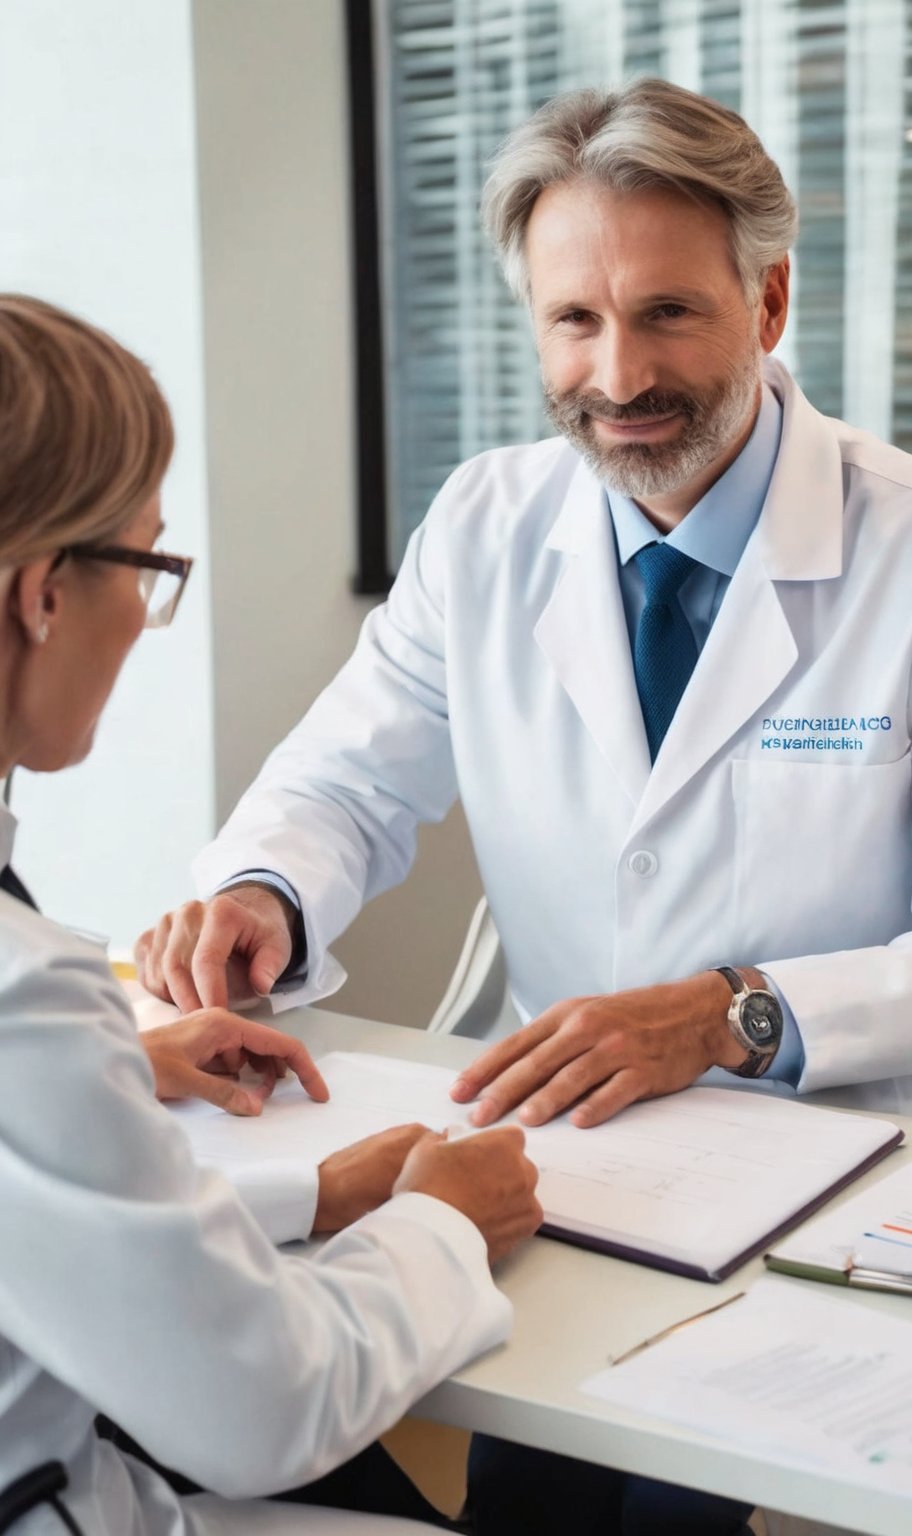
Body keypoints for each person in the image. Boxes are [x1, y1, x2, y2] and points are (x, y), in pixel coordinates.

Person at [137, 79, 912, 1535]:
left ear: (770, 299)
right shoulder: (488, 522)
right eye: (573, 321)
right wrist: (263, 893)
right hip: (579, 1170)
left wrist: (731, 1013)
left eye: (667, 314)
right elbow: (347, 777)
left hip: (869, 1174)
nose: (615, 375)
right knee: (533, 1481)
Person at [0, 292, 542, 1536]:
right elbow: (262, 1404)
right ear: (41, 595)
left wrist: (308, 1197)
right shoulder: (28, 996)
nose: (146, 612)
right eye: (148, 564)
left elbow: (62, 1234)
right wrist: (439, 1223)